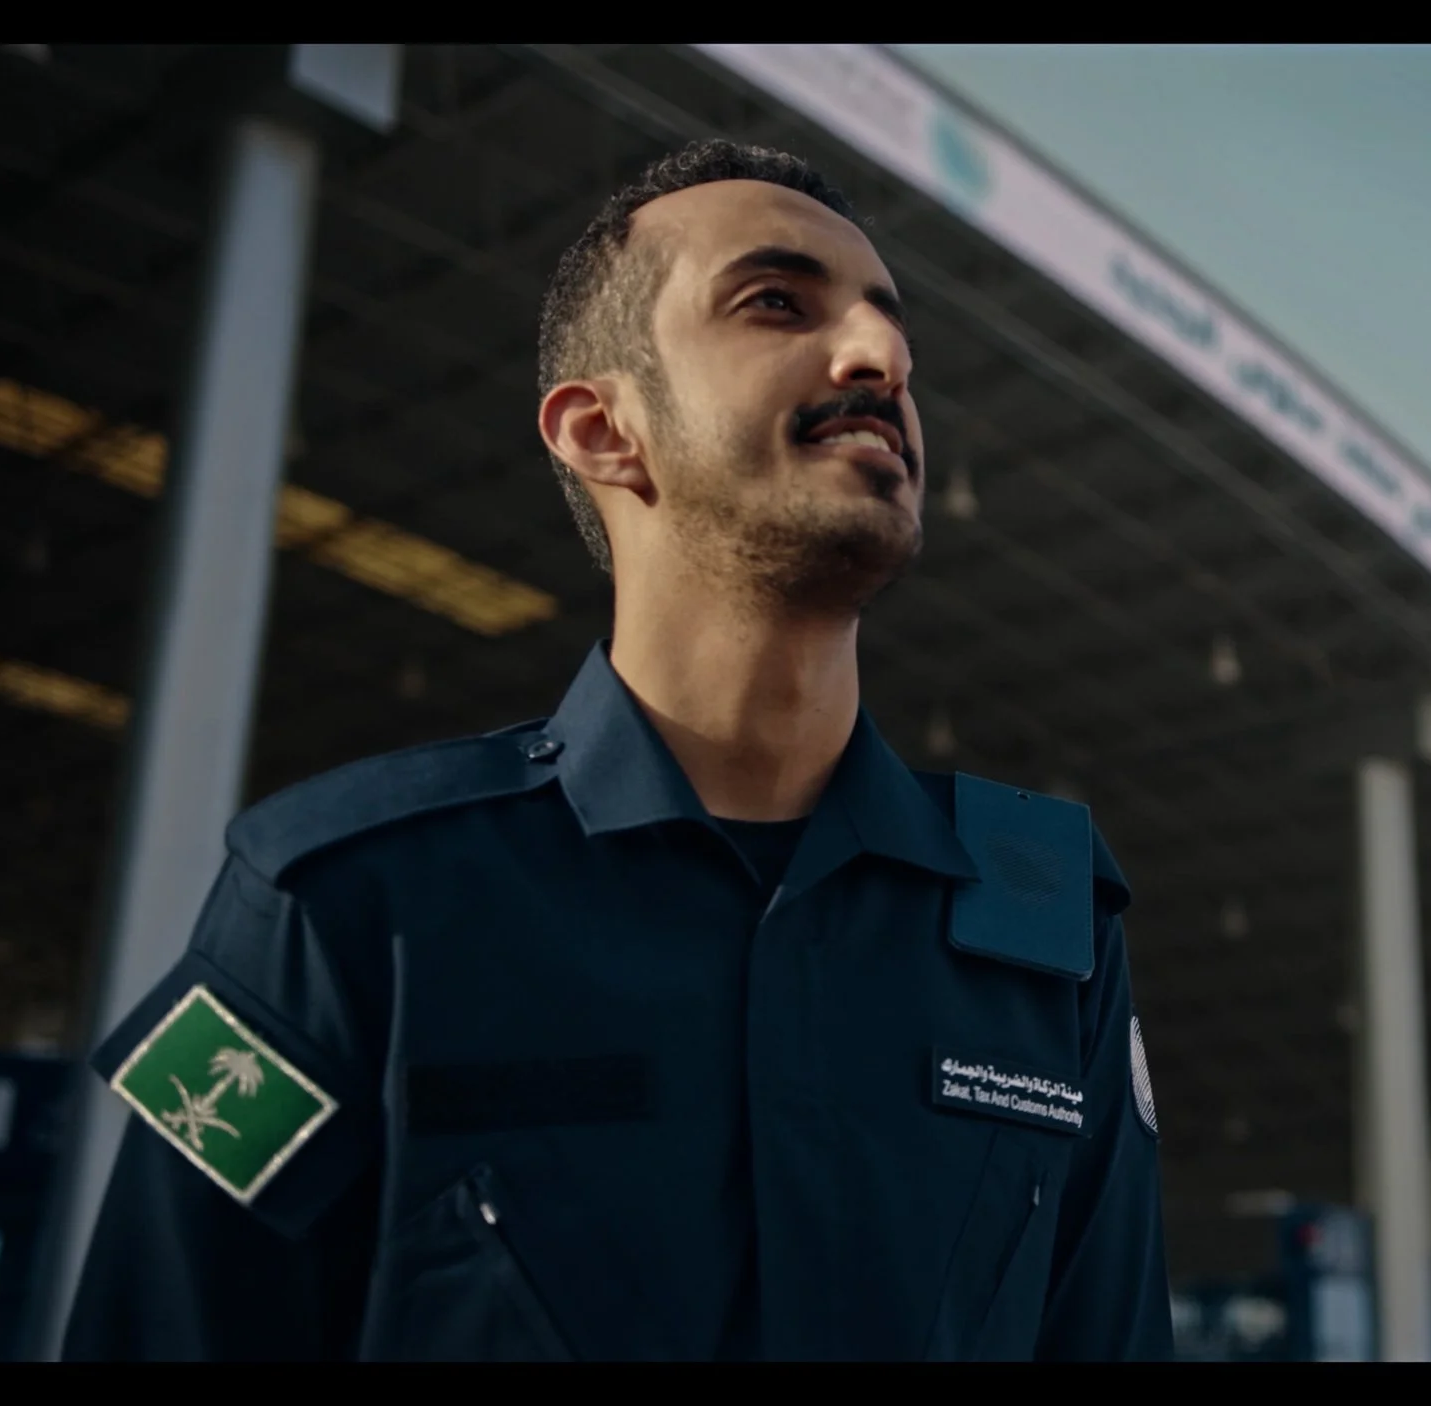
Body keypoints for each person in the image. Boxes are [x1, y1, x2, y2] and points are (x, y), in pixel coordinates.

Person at [59, 140, 1172, 1361]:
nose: (881, 358)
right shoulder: (341, 898)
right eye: (775, 303)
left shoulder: (1042, 921)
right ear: (600, 428)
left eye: (891, 330)